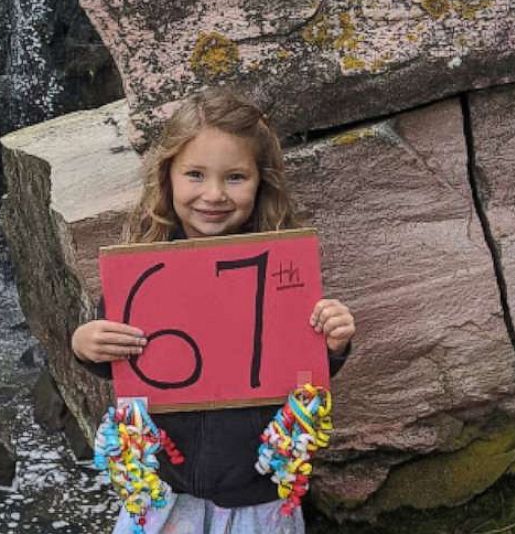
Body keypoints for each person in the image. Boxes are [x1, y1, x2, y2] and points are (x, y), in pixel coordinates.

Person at [71, 88, 355, 534]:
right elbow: (120, 359)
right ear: (168, 177)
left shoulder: (283, 268)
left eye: (235, 177)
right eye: (196, 175)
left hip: (257, 497)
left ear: (261, 181)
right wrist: (85, 343)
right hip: (166, 492)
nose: (214, 194)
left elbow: (301, 368)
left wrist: (334, 341)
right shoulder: (144, 267)